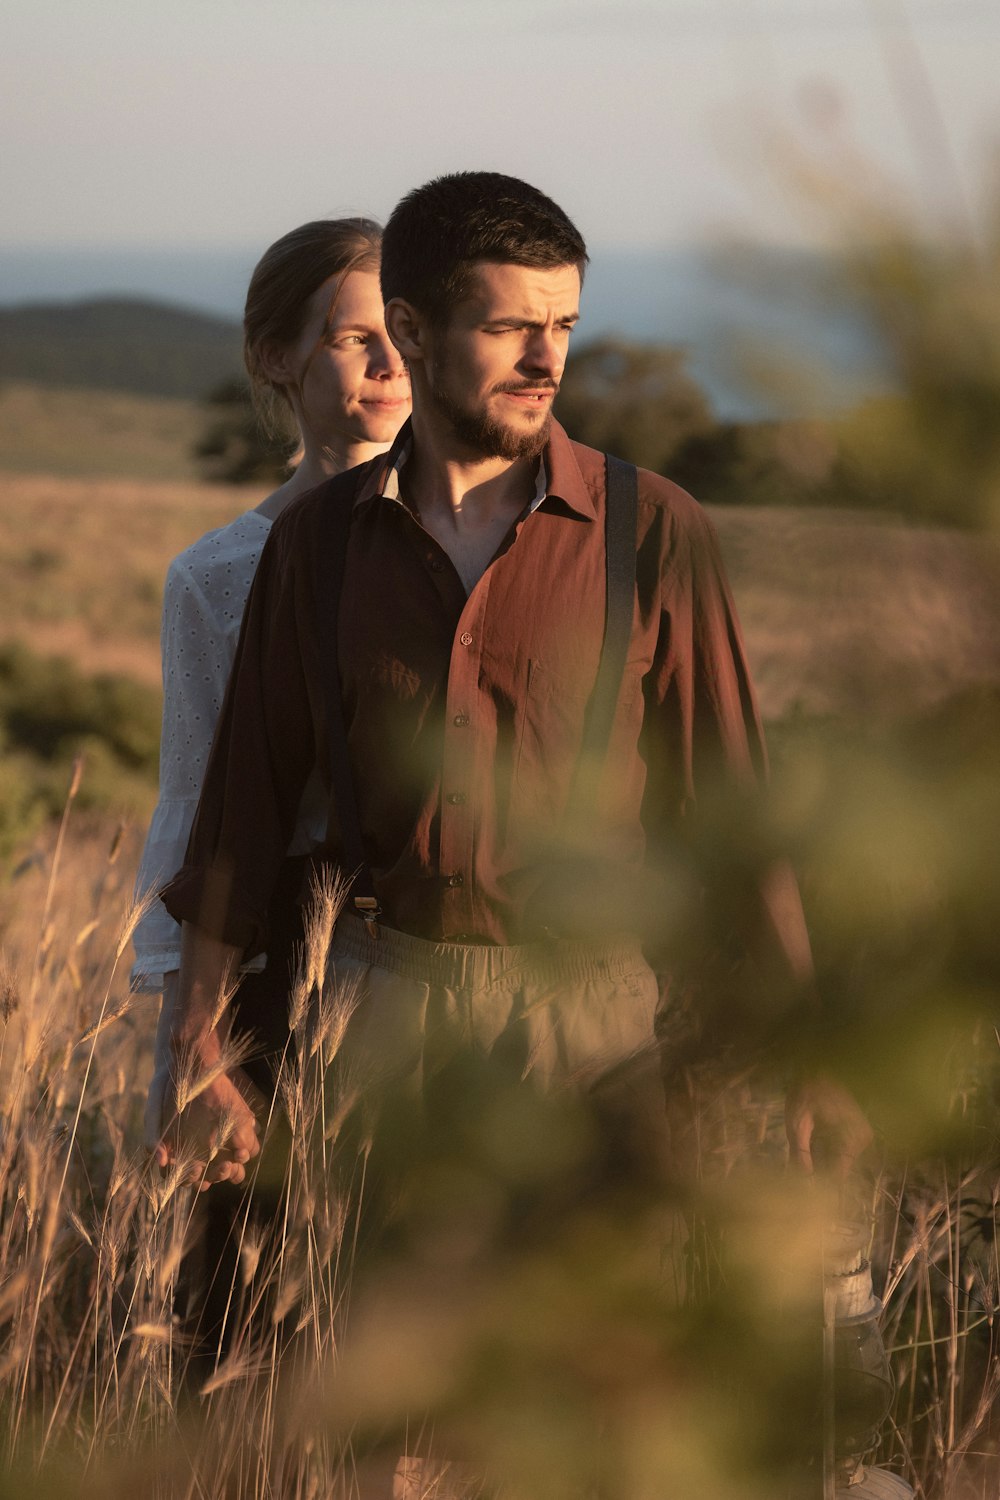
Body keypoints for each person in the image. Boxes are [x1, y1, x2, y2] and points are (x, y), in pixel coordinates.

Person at [151, 173, 871, 1488]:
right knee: (365, 1404)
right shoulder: (312, 548)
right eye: (510, 325)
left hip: (594, 1024)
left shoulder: (655, 533)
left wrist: (806, 1057)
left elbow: (733, 816)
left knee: (582, 1404)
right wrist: (203, 1045)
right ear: (414, 335)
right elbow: (243, 819)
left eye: (566, 325)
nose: (548, 357)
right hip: (372, 1011)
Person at [133, 217, 411, 1130]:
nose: (388, 362)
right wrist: (193, 1045)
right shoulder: (215, 575)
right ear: (274, 358)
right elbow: (197, 810)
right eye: (350, 337)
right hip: (282, 963)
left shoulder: (478, 543)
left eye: (401, 333)